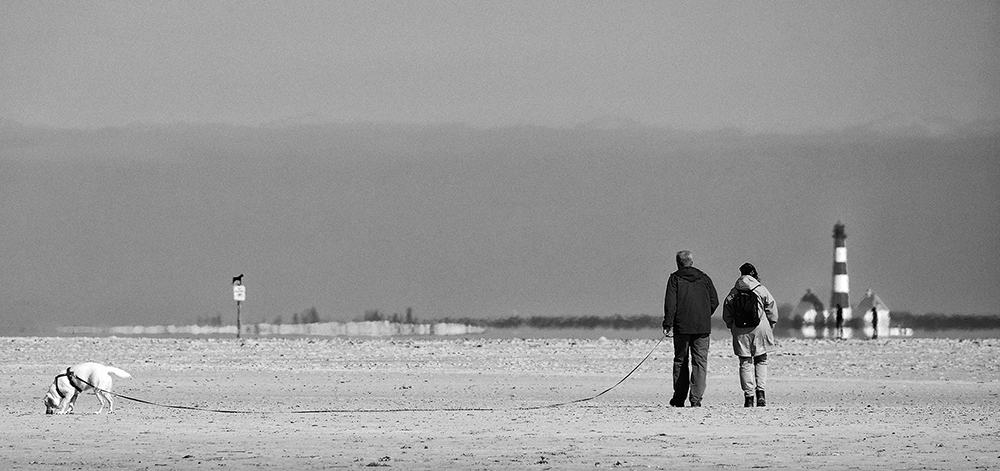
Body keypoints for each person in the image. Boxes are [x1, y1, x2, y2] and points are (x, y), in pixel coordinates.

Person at [662, 250, 719, 407]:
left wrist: (668, 323)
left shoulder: (674, 278)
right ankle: (696, 399)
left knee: (680, 360)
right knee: (700, 362)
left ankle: (679, 398)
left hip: (682, 326)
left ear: (678, 263)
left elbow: (670, 304)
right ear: (691, 262)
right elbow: (714, 301)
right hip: (702, 327)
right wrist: (704, 315)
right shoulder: (705, 278)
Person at [722, 262, 778, 408]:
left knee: (745, 362)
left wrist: (732, 326)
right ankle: (761, 393)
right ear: (754, 274)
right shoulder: (761, 289)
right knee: (761, 360)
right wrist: (771, 324)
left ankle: (748, 396)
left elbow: (727, 313)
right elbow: (772, 308)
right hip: (761, 328)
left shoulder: (733, 292)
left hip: (740, 331)